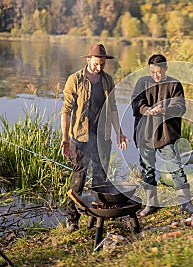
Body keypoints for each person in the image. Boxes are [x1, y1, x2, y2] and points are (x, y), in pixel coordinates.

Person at [61, 43, 129, 232]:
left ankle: (100, 215)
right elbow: (65, 111)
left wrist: (119, 133)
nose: (99, 68)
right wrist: (65, 139)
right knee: (79, 179)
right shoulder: (74, 80)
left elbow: (113, 108)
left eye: (103, 64)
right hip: (80, 138)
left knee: (101, 178)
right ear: (88, 60)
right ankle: (71, 218)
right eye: (96, 64)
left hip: (102, 137)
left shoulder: (108, 80)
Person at [131, 54, 193, 216]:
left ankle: (185, 203)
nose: (155, 75)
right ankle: (151, 204)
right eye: (152, 72)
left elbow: (180, 107)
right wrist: (147, 110)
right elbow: (136, 103)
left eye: (158, 72)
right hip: (145, 134)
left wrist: (164, 110)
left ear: (166, 69)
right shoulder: (142, 82)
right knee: (147, 170)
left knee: (176, 168)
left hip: (166, 134)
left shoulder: (174, 84)